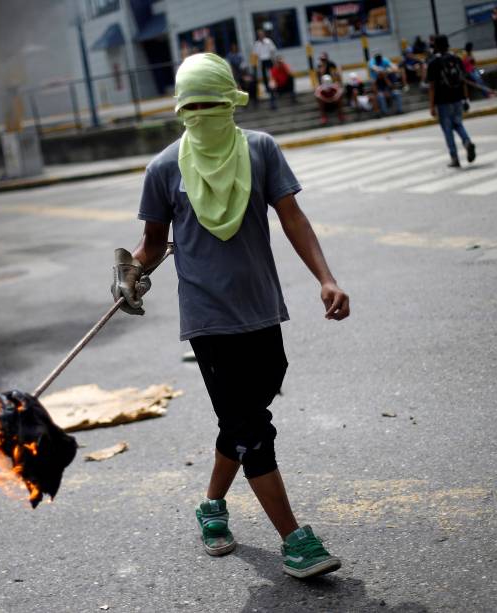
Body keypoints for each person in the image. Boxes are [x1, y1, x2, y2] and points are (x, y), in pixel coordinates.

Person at [112, 52, 350, 579]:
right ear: (179, 110)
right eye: (190, 106)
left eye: (211, 103)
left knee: (244, 419)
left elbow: (292, 217)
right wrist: (131, 274)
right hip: (207, 320)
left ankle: (211, 505)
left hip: (262, 309)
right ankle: (295, 540)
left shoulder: (261, 150)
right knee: (252, 428)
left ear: (232, 101)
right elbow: (152, 244)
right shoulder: (164, 168)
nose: (201, 114)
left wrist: (326, 278)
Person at [426, 35, 476, 168]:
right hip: (457, 98)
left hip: (442, 102)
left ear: (435, 46)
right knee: (458, 124)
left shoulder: (433, 63)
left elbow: (432, 87)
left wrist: (431, 106)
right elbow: (463, 81)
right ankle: (467, 142)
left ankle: (455, 158)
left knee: (447, 130)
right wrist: (466, 98)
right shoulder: (457, 59)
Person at [253, 29, 278, 107]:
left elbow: (273, 50)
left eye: (261, 34)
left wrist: (274, 60)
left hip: (269, 59)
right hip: (262, 61)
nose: (260, 35)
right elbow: (255, 53)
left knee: (272, 75)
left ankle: (274, 87)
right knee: (264, 76)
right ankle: (267, 88)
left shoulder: (268, 41)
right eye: (259, 34)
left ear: (264, 34)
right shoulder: (257, 44)